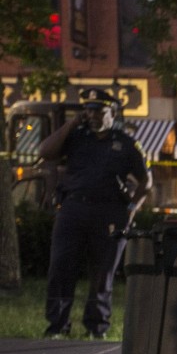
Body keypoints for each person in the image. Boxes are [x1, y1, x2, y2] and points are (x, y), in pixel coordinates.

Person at [37, 88, 151, 339]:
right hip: (73, 209)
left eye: (99, 111)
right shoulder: (76, 137)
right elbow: (45, 152)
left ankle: (96, 328)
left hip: (109, 212)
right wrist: (70, 124)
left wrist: (131, 210)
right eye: (88, 110)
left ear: (113, 113)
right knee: (60, 268)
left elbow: (146, 182)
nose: (92, 115)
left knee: (102, 273)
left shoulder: (125, 143)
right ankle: (57, 326)